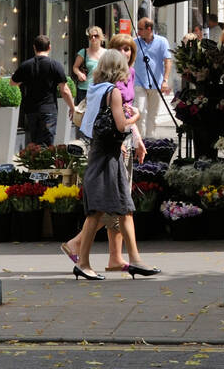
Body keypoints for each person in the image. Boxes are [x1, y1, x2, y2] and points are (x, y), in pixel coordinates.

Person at [66, 49, 159, 280]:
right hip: (108, 156)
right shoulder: (114, 92)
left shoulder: (96, 89)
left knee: (124, 209)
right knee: (97, 211)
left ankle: (135, 260)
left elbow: (89, 124)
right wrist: (135, 117)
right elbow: (120, 126)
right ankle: (84, 262)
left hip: (101, 151)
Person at [12, 34, 73, 146]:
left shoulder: (26, 65)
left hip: (31, 109)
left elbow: (13, 83)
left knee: (34, 143)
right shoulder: (55, 65)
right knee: (46, 144)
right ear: (49, 47)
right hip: (49, 110)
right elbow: (65, 91)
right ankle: (44, 163)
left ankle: (35, 163)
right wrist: (72, 107)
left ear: (34, 47)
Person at [133, 17, 174, 140]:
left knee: (152, 114)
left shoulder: (162, 41)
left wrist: (165, 80)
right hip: (138, 81)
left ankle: (150, 141)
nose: (138, 32)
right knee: (140, 111)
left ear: (149, 29)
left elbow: (167, 61)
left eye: (140, 29)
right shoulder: (135, 42)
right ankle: (139, 141)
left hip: (156, 83)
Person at [73, 27, 105, 95]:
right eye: (91, 36)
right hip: (85, 89)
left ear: (101, 37)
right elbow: (75, 67)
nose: (93, 38)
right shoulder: (83, 52)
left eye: (96, 36)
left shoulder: (107, 53)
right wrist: (79, 74)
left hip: (101, 88)